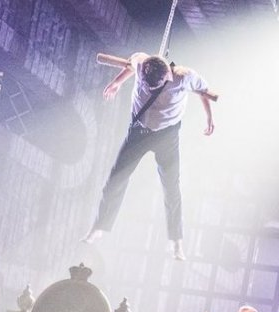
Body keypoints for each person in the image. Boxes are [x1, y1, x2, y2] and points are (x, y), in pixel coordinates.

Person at [82, 53, 216, 260]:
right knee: (115, 180)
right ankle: (99, 227)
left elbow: (204, 91)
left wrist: (209, 118)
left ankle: (176, 241)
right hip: (139, 132)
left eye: (155, 87)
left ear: (168, 77)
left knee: (171, 188)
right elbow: (129, 66)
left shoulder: (184, 77)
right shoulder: (140, 62)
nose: (150, 89)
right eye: (147, 86)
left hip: (166, 136)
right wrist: (117, 83)